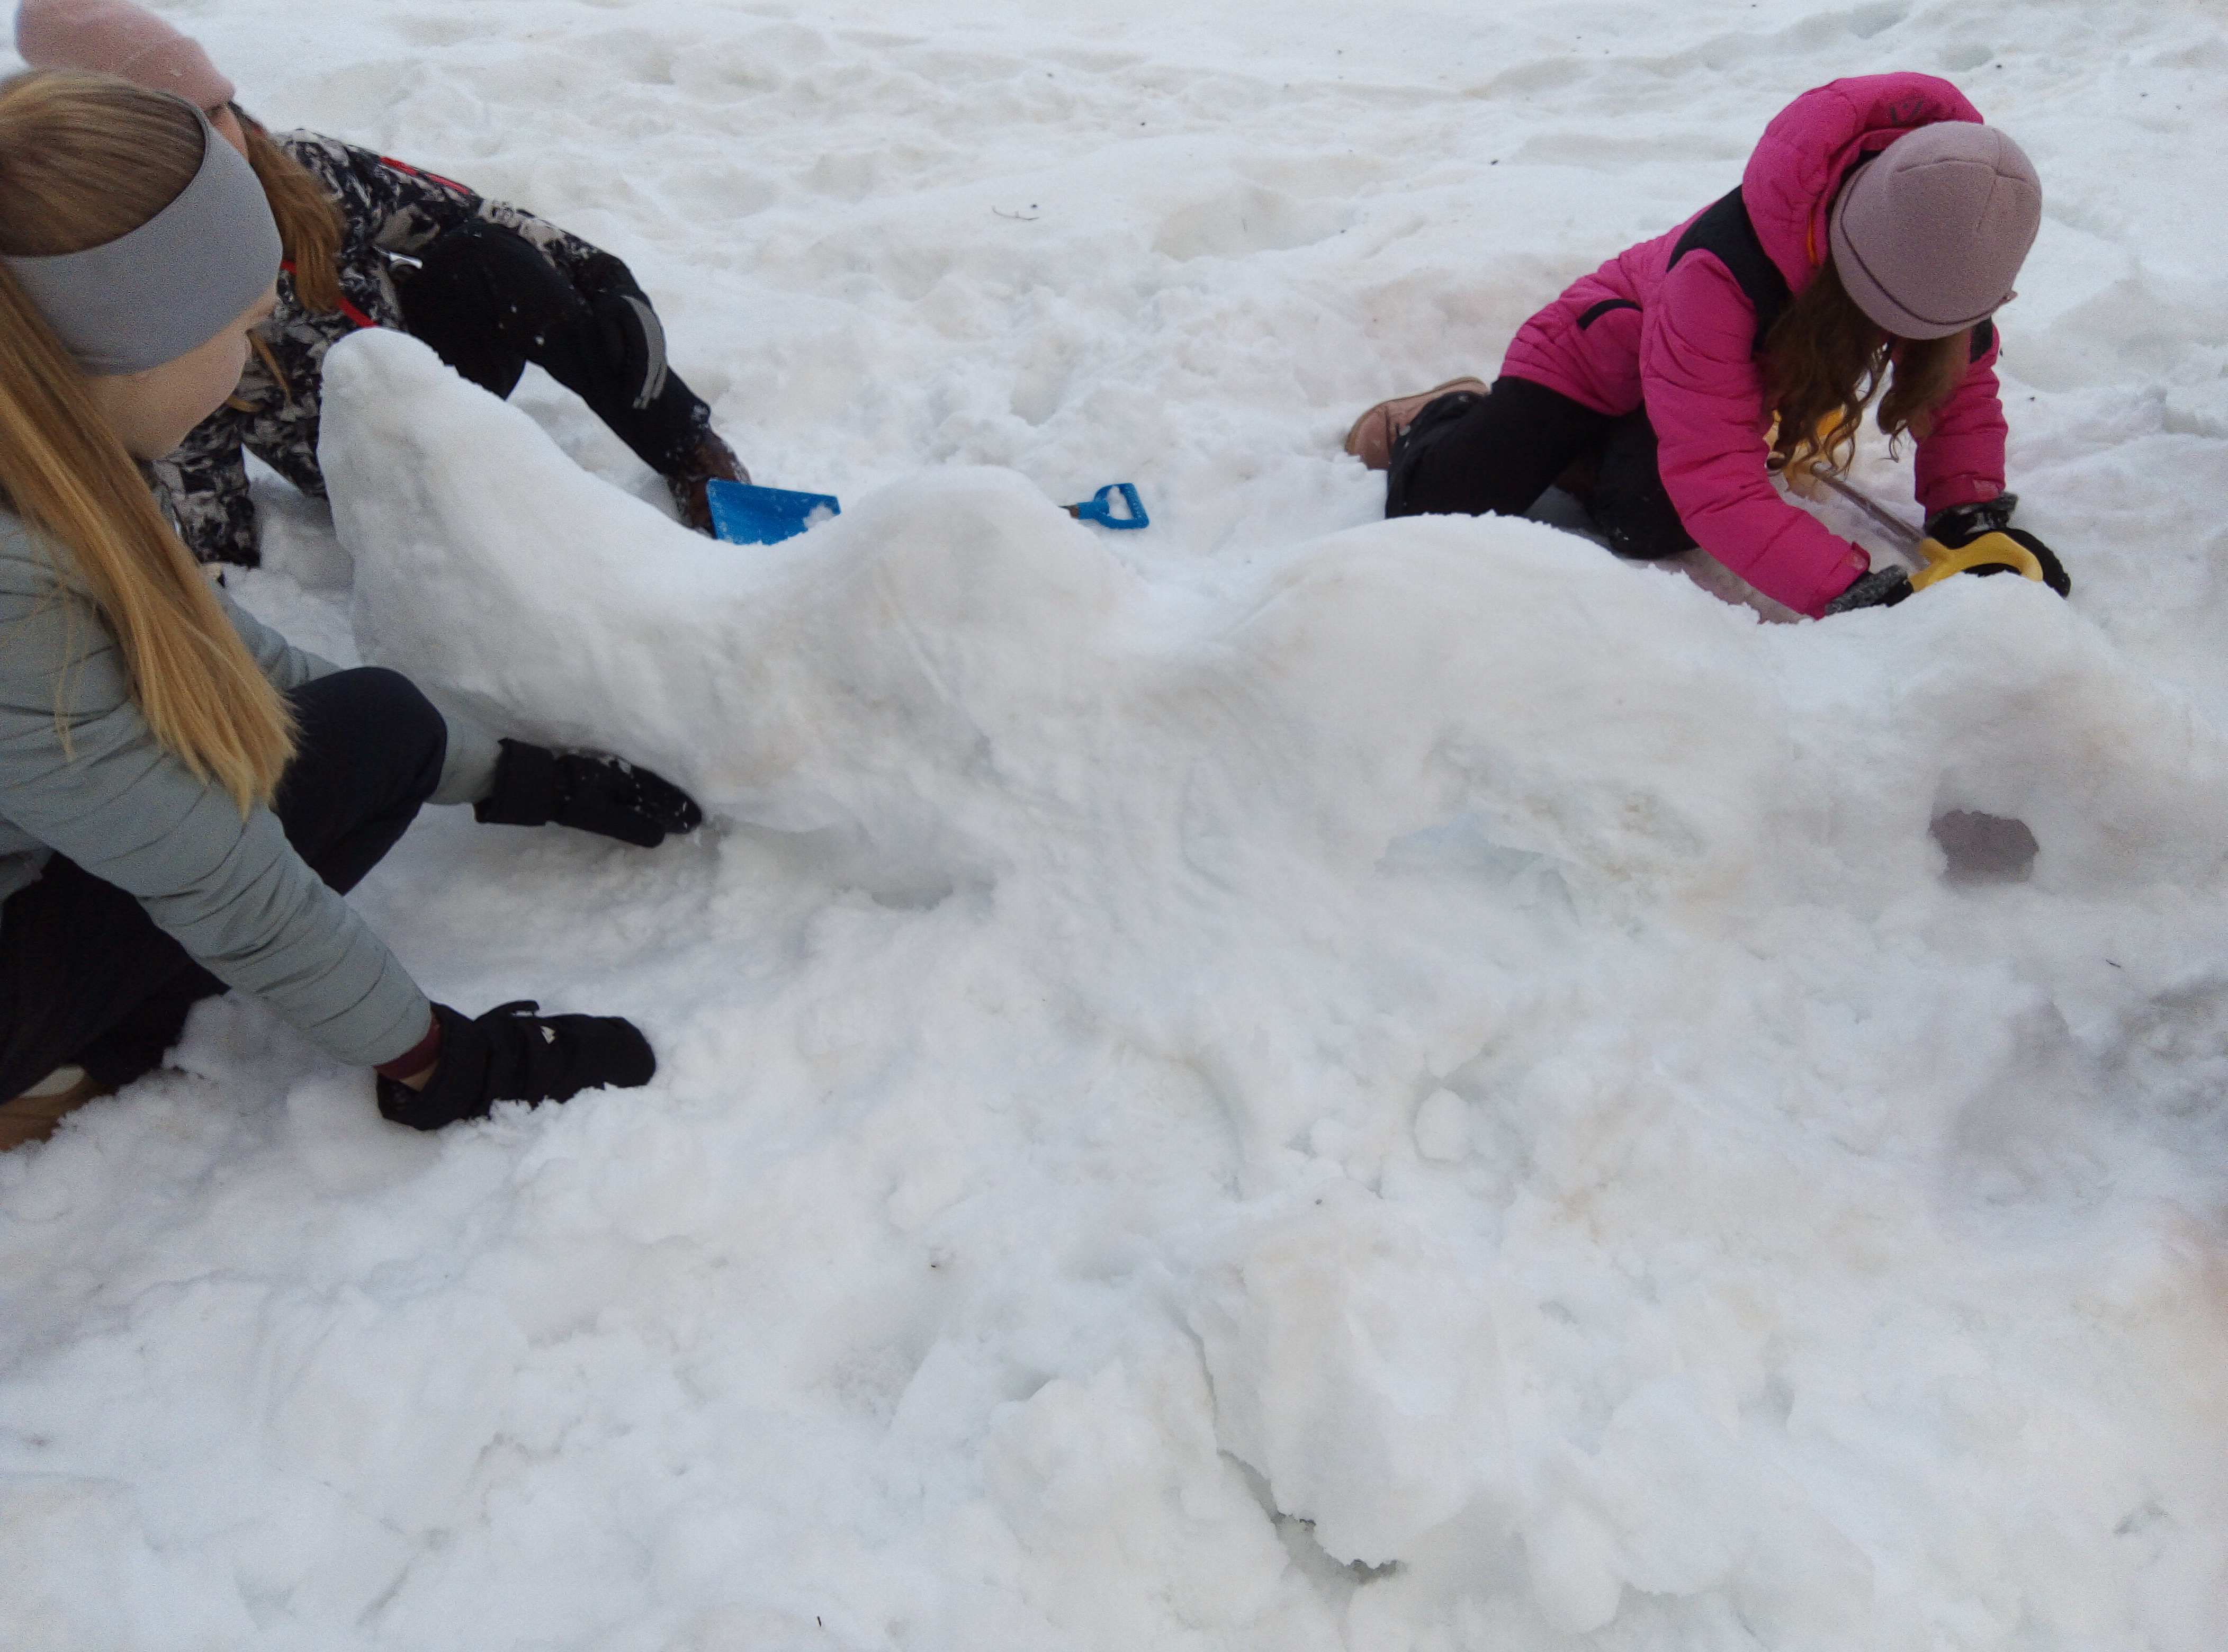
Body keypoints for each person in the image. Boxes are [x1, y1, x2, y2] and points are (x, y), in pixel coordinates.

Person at [0, 69, 706, 1151]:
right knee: (232, 841)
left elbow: (232, 660)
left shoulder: (50, 451)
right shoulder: (15, 589)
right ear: (128, 348)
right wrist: (441, 1061)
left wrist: (516, 776)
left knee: (381, 724)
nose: (255, 359)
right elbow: (224, 881)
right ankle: (62, 1063)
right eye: (244, 327)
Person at [12, 0, 749, 567]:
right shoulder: (149, 299)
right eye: (193, 129)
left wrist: (604, 276)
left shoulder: (305, 169)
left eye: (221, 109)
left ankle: (693, 456)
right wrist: (224, 570)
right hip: (353, 462)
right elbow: (190, 449)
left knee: (483, 255)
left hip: (437, 376)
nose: (226, 141)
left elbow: (467, 214)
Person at [1345, 73, 2069, 619]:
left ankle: (1594, 457)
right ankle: (1445, 414)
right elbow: (1717, 481)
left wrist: (1967, 513)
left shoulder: (1953, 245)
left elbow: (1961, 387)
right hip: (1595, 359)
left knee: (1643, 521)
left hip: (1693, 387)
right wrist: (1851, 590)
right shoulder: (1721, 271)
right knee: (1439, 503)